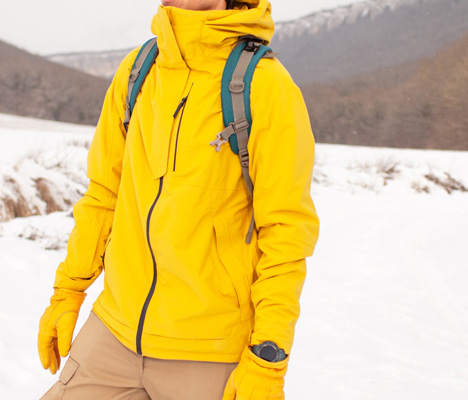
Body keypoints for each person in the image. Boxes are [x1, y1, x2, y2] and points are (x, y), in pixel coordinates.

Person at [37, 0, 319, 398]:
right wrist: (68, 291)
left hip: (208, 352)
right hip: (114, 331)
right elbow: (104, 194)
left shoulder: (266, 86)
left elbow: (286, 232)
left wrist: (268, 357)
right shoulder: (138, 70)